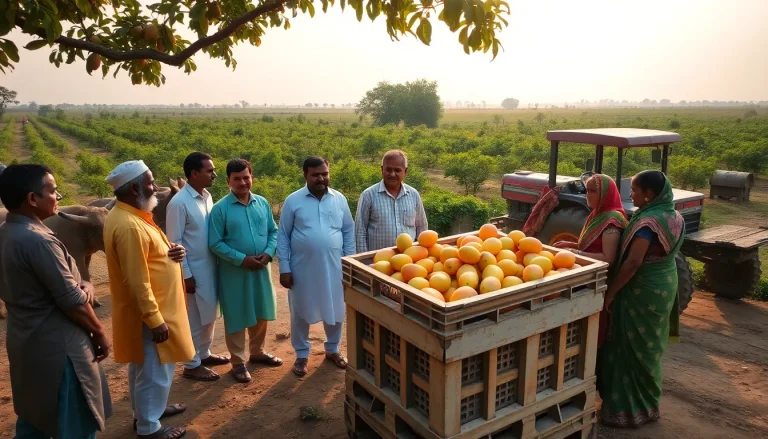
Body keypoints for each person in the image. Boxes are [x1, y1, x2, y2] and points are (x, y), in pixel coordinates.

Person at [0, 164, 112, 439]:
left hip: (25, 340)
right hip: (60, 348)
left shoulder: (6, 232)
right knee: (74, 420)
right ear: (32, 198)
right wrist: (98, 329)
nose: (58, 197)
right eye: (52, 190)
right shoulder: (39, 241)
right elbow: (72, 299)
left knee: (34, 417)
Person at [104, 160, 193, 439]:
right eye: (150, 183)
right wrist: (154, 320)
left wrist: (172, 250)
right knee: (155, 371)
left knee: (143, 369)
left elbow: (147, 257)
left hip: (151, 310)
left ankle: (146, 413)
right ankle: (149, 428)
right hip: (152, 313)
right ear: (133, 188)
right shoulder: (129, 225)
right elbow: (136, 279)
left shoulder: (132, 216)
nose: (155, 188)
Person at [598, 170, 685, 428]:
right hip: (664, 284)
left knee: (629, 347)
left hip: (640, 290)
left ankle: (624, 411)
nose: (631, 194)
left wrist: (610, 293)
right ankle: (647, 407)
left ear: (649, 194)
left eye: (635, 190)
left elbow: (633, 262)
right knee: (648, 348)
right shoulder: (674, 216)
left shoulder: (648, 224)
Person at [277, 157, 356, 377]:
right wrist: (284, 267)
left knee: (336, 307)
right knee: (300, 310)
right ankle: (302, 354)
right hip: (302, 268)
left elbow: (348, 230)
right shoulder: (293, 201)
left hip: (335, 266)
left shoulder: (339, 199)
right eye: (315, 174)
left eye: (325, 173)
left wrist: (349, 262)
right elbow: (283, 235)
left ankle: (332, 349)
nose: (321, 178)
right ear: (305, 175)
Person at [208, 159, 282, 383]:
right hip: (235, 272)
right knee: (237, 314)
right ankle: (238, 362)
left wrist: (269, 253)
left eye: (246, 177)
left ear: (252, 177)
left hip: (261, 268)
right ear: (229, 181)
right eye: (237, 179)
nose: (243, 182)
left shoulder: (262, 203)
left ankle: (257, 352)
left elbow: (273, 231)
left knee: (260, 311)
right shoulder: (220, 209)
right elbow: (215, 243)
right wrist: (241, 260)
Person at [166, 152, 230, 382]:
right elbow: (175, 242)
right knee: (194, 317)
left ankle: (204, 353)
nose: (214, 174)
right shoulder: (179, 203)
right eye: (209, 171)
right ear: (194, 173)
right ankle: (191, 364)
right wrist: (186, 274)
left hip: (211, 267)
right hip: (193, 270)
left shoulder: (207, 196)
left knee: (210, 313)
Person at [554, 174, 628, 347]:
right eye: (587, 190)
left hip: (598, 281)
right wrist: (571, 243)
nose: (588, 195)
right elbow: (593, 245)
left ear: (605, 194)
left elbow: (607, 258)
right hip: (587, 275)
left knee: (593, 329)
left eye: (593, 191)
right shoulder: (597, 214)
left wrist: (575, 252)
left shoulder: (611, 221)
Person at [355, 149, 427, 253]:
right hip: (376, 262)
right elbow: (360, 232)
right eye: (388, 170)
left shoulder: (413, 195)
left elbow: (422, 228)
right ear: (382, 169)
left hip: (407, 260)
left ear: (405, 171)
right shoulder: (368, 195)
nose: (392, 174)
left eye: (397, 170)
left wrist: (420, 254)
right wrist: (363, 262)